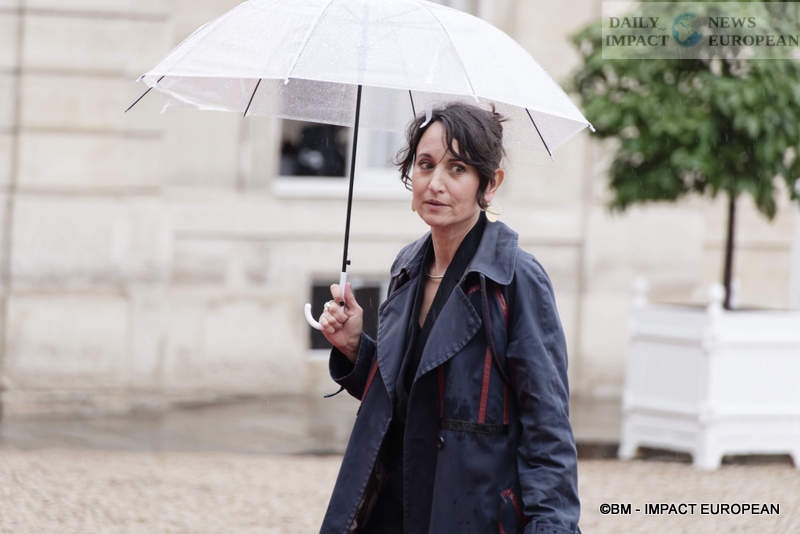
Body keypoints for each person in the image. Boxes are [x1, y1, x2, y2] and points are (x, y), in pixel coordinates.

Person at [318, 102, 581, 534]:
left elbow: (547, 427)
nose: (435, 183)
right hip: (394, 506)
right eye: (426, 165)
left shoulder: (515, 278)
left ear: (490, 185)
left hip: (471, 510)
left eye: (457, 169)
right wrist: (354, 347)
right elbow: (407, 399)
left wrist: (551, 525)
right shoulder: (407, 267)